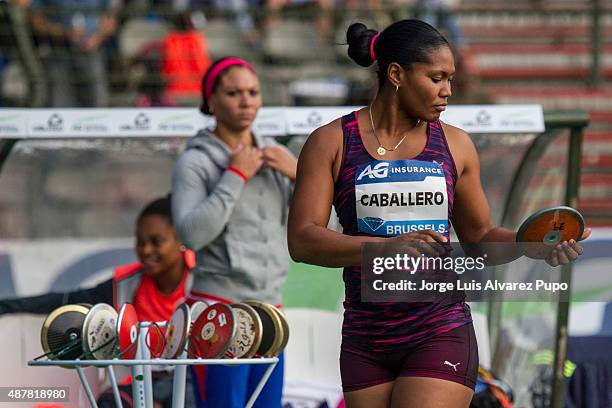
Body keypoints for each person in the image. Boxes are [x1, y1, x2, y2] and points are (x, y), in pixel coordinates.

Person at [287, 20, 590, 408]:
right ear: (396, 74)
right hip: (366, 336)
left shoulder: (456, 144)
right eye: (437, 78)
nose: (447, 91)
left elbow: (479, 235)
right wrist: (384, 248)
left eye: (450, 79)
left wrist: (528, 242)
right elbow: (302, 240)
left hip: (439, 327)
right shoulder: (331, 141)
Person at [171, 56, 297, 408]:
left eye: (253, 92)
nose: (246, 101)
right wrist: (235, 176)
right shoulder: (194, 161)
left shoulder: (278, 156)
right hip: (218, 312)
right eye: (234, 92)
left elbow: (328, 225)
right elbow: (190, 235)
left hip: (270, 312)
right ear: (211, 100)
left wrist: (301, 175)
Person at [0, 196, 195, 407]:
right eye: (140, 242)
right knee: (109, 402)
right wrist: (6, 306)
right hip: (138, 384)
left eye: (156, 241)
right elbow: (66, 301)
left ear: (180, 239)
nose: (146, 250)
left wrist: (159, 395)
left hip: (190, 382)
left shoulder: (206, 283)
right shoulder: (123, 285)